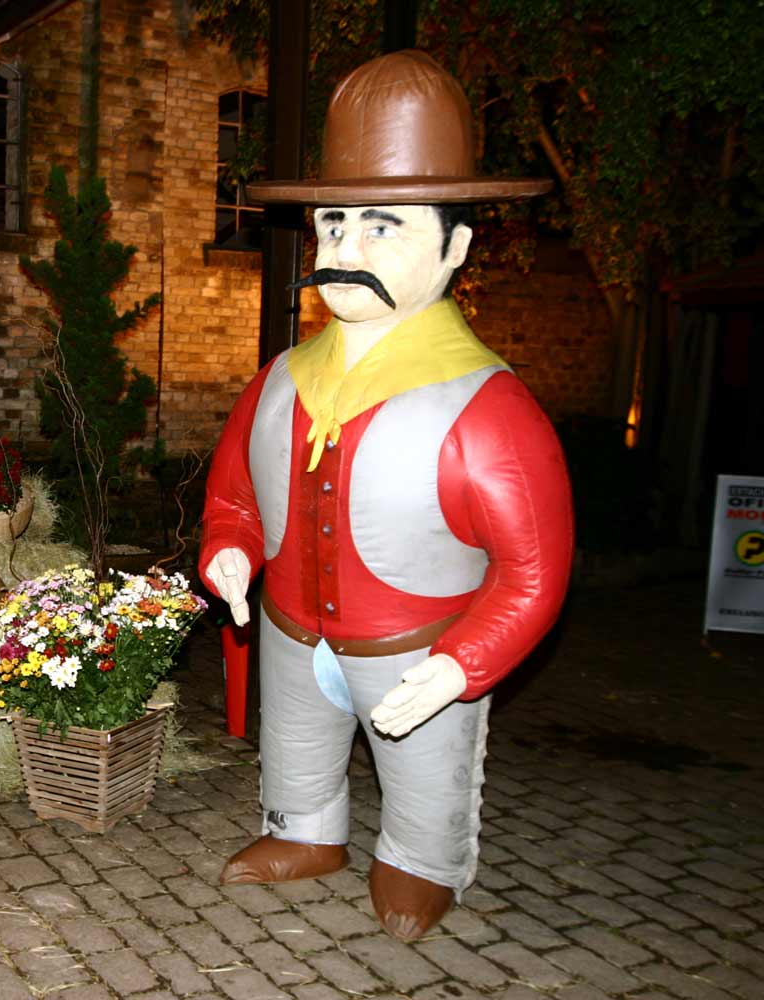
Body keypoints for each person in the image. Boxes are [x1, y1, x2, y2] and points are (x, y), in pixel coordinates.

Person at [200, 50, 574, 942]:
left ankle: (420, 861)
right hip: (292, 631)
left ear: (455, 248)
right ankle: (303, 829)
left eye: (382, 229)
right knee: (295, 747)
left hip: (418, 645)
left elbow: (533, 571)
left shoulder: (490, 407)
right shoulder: (281, 379)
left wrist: (462, 663)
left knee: (426, 770)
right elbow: (235, 494)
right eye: (333, 225)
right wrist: (230, 549)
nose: (343, 252)